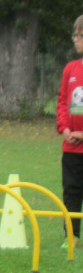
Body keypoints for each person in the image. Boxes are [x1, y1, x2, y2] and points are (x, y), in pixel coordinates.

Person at [57, 14, 83, 247]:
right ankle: (72, 236)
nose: (76, 39)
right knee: (72, 191)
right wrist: (65, 128)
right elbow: (63, 102)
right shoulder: (70, 69)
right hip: (71, 148)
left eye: (80, 35)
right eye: (74, 35)